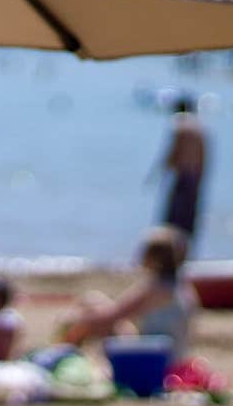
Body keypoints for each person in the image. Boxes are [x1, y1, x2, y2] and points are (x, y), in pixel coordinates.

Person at [60, 226, 197, 362]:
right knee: (93, 301)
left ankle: (65, 354)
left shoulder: (156, 288)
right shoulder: (181, 285)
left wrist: (75, 321)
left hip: (157, 358)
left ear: (154, 259)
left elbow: (112, 315)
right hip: (172, 353)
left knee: (92, 315)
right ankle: (67, 351)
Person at [148, 94, 208, 242]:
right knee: (187, 219)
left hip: (182, 175)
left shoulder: (179, 122)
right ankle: (183, 253)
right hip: (194, 176)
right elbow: (203, 156)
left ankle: (169, 252)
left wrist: (160, 171)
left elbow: (173, 151)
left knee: (173, 219)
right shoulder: (200, 126)